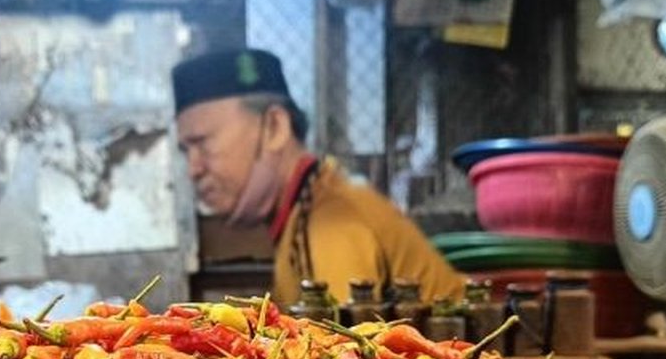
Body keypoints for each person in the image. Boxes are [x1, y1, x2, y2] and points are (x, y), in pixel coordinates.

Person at [172, 48, 464, 307]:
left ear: (274, 127)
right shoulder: (304, 211)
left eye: (202, 143)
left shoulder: (331, 223)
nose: (193, 169)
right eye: (186, 151)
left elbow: (341, 349)